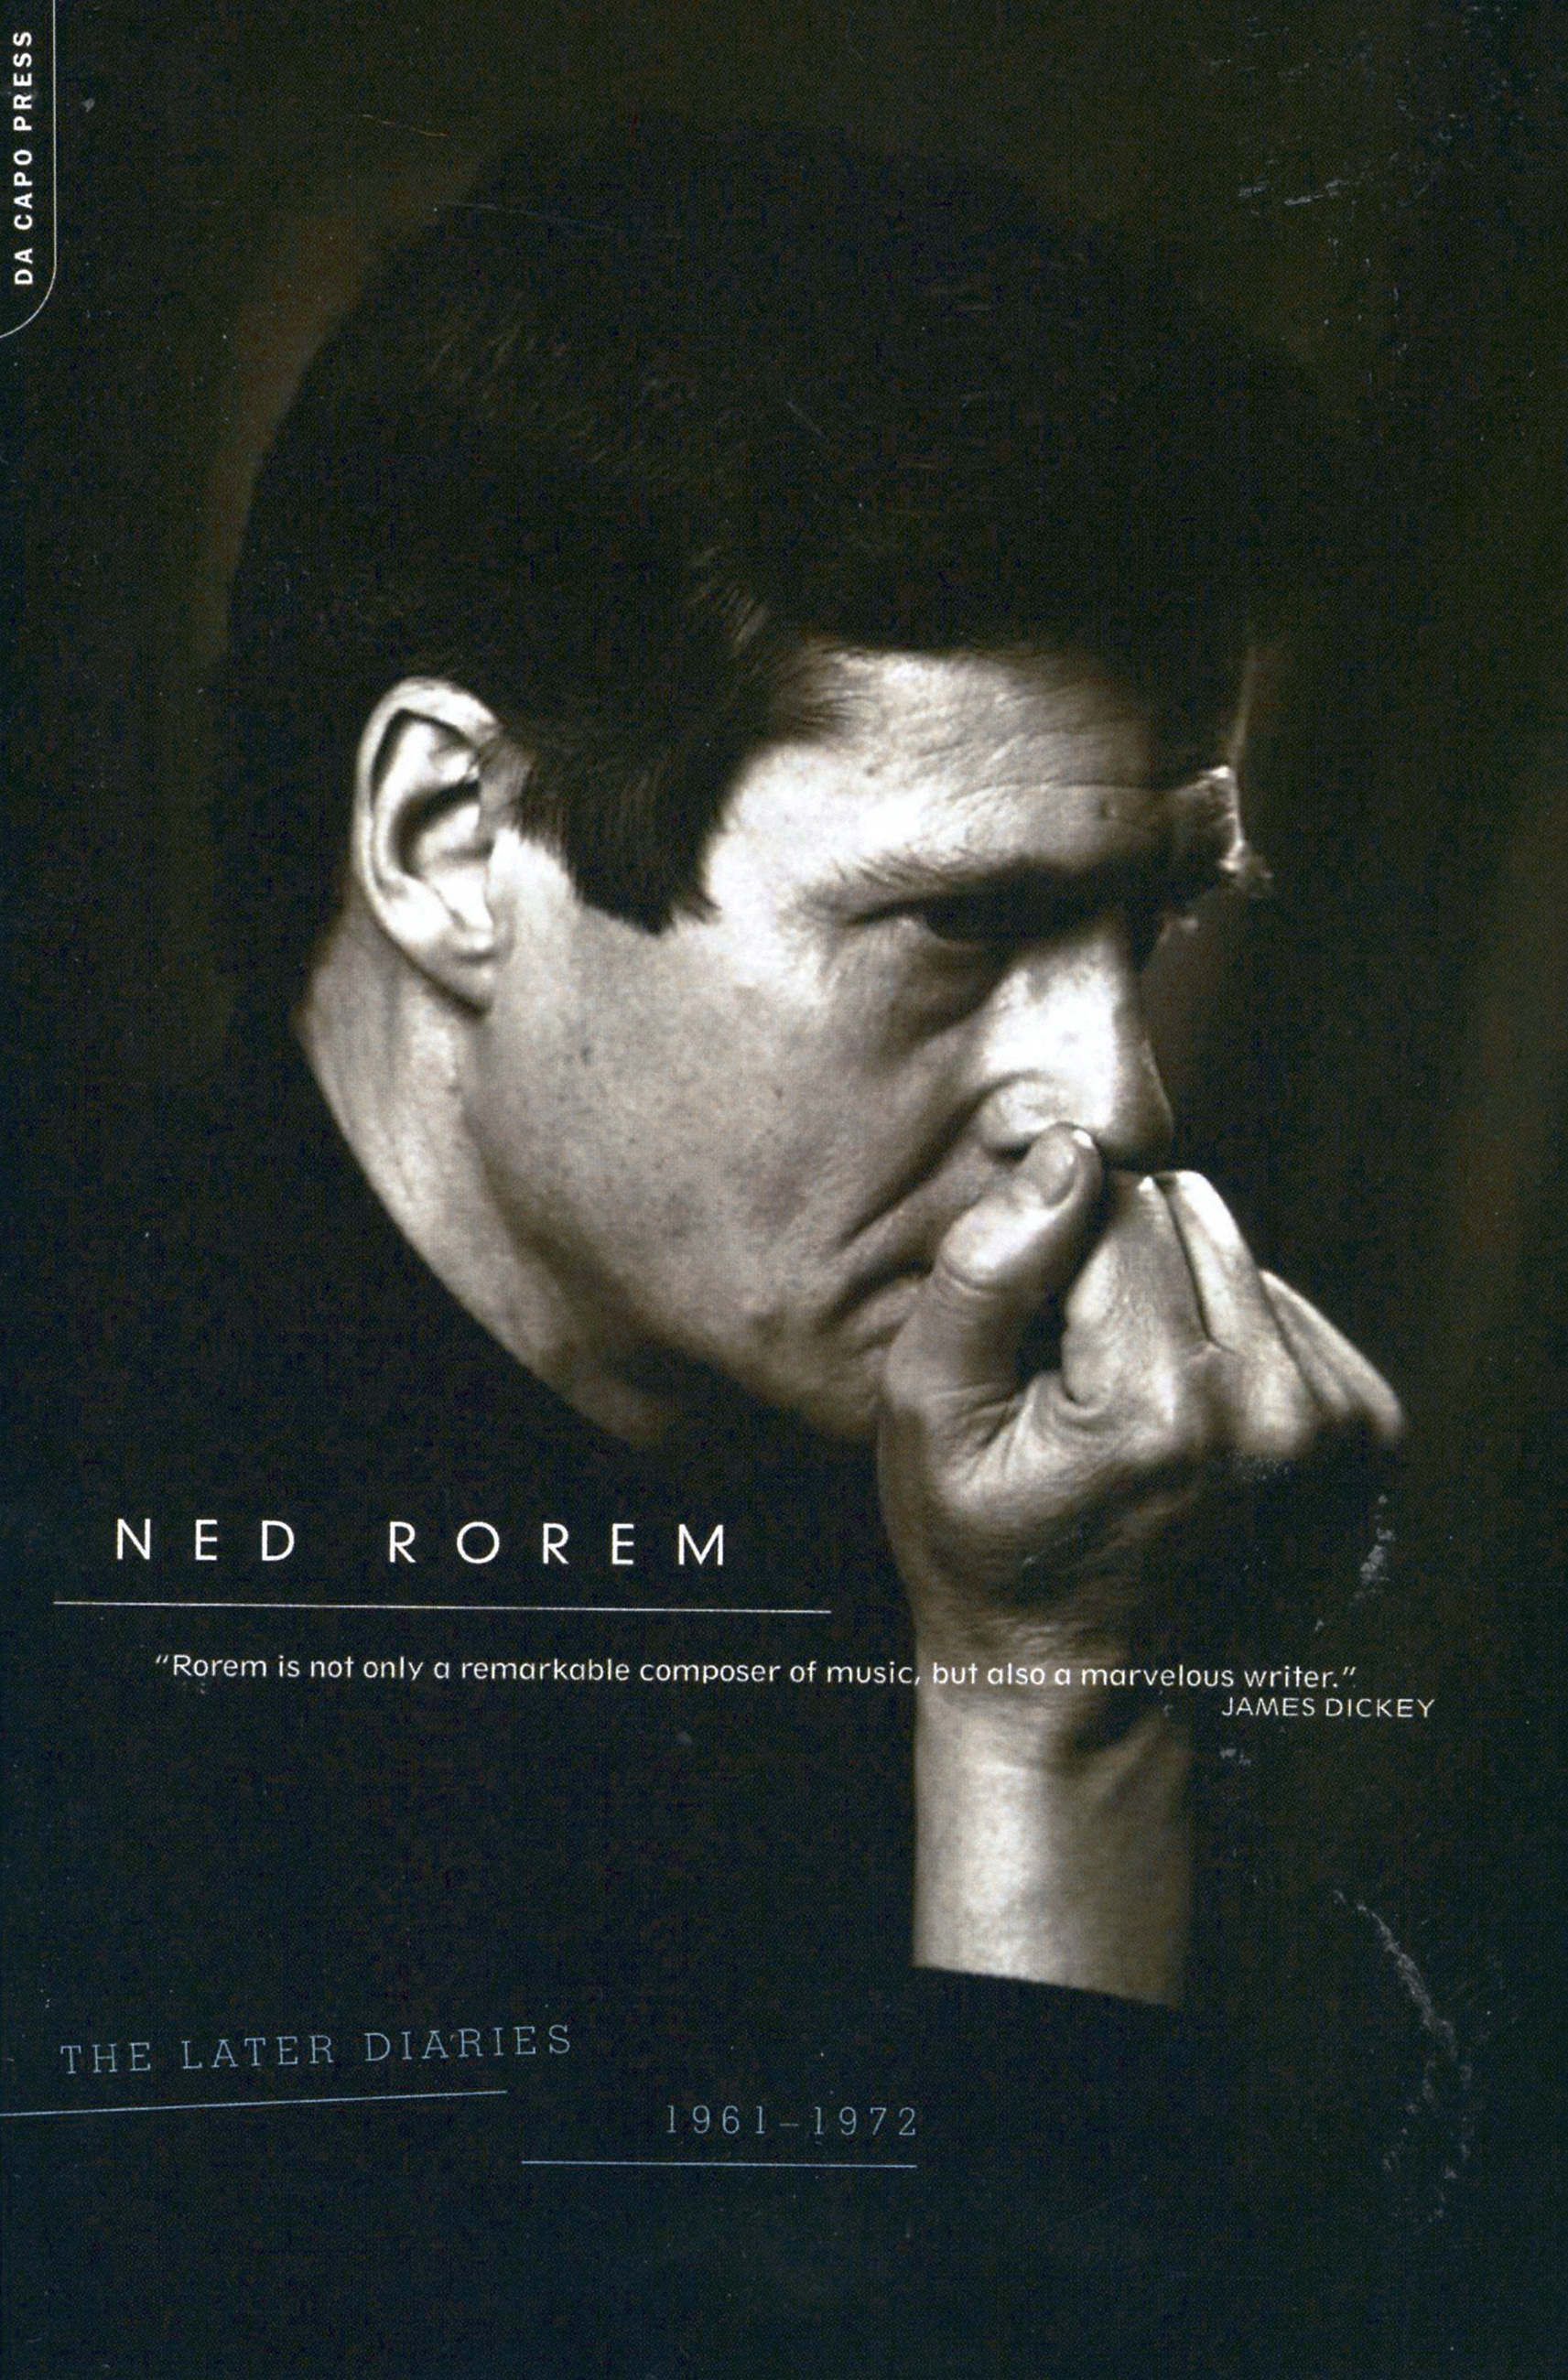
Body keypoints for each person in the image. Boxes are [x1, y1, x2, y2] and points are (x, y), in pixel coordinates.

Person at [21, 124, 1404, 2377]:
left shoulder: (1085, 1517)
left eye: (1150, 919)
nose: (1112, 1099)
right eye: (963, 922)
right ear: (447, 844)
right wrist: (1059, 1735)